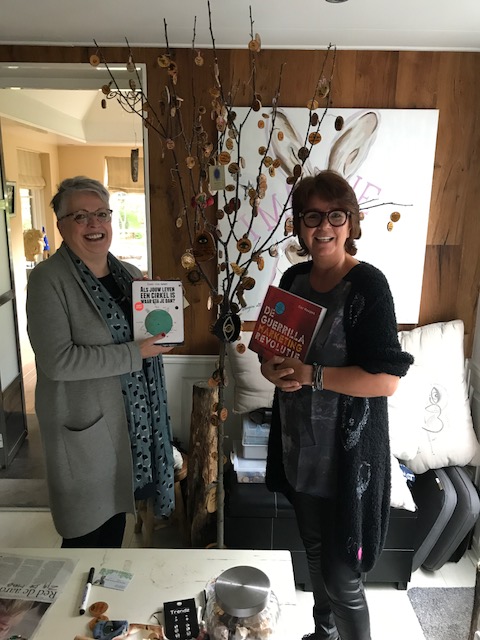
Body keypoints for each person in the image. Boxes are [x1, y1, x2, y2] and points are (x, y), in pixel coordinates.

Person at [261, 170, 413, 640]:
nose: (323, 226)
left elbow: (387, 381)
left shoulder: (368, 286)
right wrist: (271, 369)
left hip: (348, 462)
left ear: (351, 222)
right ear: (299, 225)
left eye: (336, 215)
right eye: (312, 216)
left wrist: (313, 375)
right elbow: (273, 351)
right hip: (299, 450)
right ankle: (323, 633)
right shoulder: (293, 278)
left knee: (343, 578)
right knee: (314, 552)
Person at [26, 176, 175, 548]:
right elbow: (58, 361)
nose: (94, 224)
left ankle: (106, 587)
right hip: (86, 431)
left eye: (101, 214)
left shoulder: (130, 275)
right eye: (80, 216)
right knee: (86, 538)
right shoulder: (48, 280)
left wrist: (161, 316)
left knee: (115, 531)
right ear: (61, 225)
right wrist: (135, 353)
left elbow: (148, 340)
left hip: (132, 430)